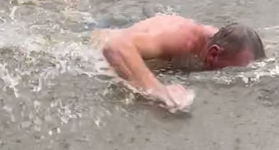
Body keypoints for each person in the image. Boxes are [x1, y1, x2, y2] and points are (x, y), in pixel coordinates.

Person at [91, 14, 265, 110]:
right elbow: (114, 47)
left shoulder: (223, 43)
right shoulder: (183, 39)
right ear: (213, 54)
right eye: (232, 70)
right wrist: (156, 90)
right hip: (93, 39)